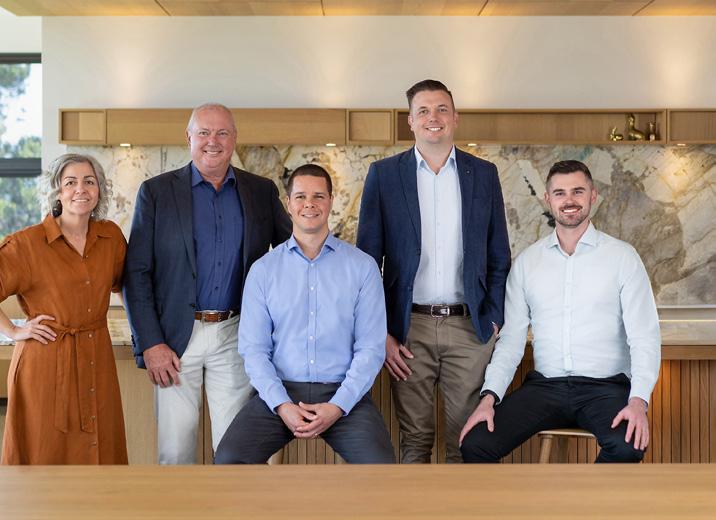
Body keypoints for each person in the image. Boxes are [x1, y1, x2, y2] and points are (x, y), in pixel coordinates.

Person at [459, 160, 661, 463]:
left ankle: (582, 497)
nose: (569, 200)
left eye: (578, 191)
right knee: (475, 444)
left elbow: (644, 337)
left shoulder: (623, 258)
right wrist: (489, 398)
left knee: (627, 446)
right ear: (548, 199)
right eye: (560, 193)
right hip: (545, 388)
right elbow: (511, 342)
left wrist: (638, 401)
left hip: (605, 389)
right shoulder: (527, 263)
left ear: (592, 195)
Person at [123, 103, 291, 464]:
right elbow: (136, 273)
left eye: (222, 133)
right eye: (204, 132)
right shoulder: (156, 192)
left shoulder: (260, 191)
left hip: (236, 334)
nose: (212, 141)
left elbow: (292, 253)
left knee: (236, 451)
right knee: (175, 451)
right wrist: (151, 342)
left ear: (234, 139)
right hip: (173, 339)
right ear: (189, 137)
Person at [356, 79, 511, 463]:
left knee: (467, 443)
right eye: (423, 111)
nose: (433, 117)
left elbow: (498, 256)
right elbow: (366, 263)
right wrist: (381, 333)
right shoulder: (384, 175)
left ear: (455, 117)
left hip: (469, 328)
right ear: (410, 121)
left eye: (442, 109)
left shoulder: (484, 174)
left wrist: (493, 319)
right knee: (415, 441)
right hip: (409, 330)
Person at [214, 164, 395, 464]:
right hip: (281, 391)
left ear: (331, 201)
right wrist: (282, 405)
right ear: (288, 204)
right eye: (300, 196)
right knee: (229, 459)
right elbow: (254, 350)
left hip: (342, 393)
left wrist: (338, 406)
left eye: (318, 196)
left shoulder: (362, 267)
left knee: (380, 468)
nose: (309, 204)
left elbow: (371, 348)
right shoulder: (263, 270)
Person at [0, 153, 128, 464]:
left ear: (99, 190)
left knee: (101, 443)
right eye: (70, 182)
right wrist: (13, 330)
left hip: (97, 356)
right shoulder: (27, 244)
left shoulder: (111, 238)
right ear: (57, 191)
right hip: (46, 360)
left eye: (89, 181)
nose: (81, 189)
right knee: (43, 447)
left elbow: (125, 284)